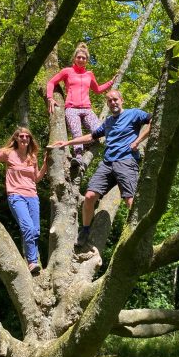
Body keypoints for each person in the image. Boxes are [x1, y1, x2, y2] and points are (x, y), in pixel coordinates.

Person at [49, 90, 151, 248]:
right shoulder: (108, 121)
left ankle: (138, 234)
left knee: (130, 200)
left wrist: (138, 141)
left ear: (121, 100)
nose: (113, 103)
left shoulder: (134, 114)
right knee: (89, 196)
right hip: (107, 163)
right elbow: (91, 136)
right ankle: (85, 230)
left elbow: (154, 120)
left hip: (126, 160)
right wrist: (67, 143)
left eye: (115, 99)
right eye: (109, 101)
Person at [0, 127, 47, 274]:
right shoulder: (8, 153)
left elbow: (36, 178)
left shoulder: (32, 157)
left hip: (33, 196)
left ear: (30, 139)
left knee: (35, 231)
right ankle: (32, 262)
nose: (24, 139)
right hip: (16, 196)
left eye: (27, 137)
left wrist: (46, 165)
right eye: (21, 136)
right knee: (28, 228)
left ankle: (31, 260)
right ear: (16, 138)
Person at [46, 42, 117, 165]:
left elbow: (98, 89)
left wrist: (110, 82)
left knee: (100, 130)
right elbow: (51, 82)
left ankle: (111, 150)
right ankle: (78, 158)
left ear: (87, 60)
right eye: (78, 57)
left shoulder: (89, 74)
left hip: (87, 109)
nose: (81, 59)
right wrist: (50, 98)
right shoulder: (67, 71)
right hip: (72, 109)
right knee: (76, 133)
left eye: (83, 58)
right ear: (74, 58)